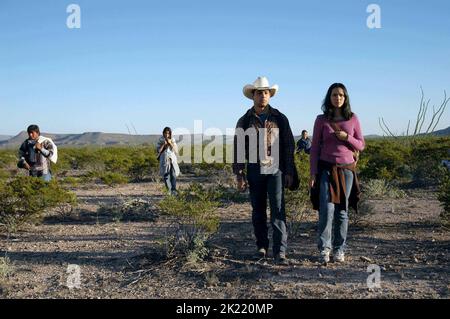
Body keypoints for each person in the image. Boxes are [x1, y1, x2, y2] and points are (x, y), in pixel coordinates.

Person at [233, 76, 297, 264]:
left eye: (266, 92)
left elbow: (288, 146)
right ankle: (261, 247)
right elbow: (238, 149)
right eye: (259, 92)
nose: (263, 95)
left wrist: (290, 172)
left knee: (278, 209)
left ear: (270, 95)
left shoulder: (279, 118)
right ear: (253, 96)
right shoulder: (244, 120)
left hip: (275, 167)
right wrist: (239, 174)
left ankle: (280, 252)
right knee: (258, 210)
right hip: (254, 167)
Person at [310, 83, 365, 264]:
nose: (338, 98)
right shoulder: (321, 119)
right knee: (327, 209)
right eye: (334, 95)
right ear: (329, 97)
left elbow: (361, 145)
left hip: (347, 170)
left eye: (341, 95)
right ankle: (324, 249)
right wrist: (313, 173)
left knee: (342, 211)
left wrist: (346, 137)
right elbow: (315, 148)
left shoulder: (353, 118)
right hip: (326, 168)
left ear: (345, 97)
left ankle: (339, 249)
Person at [156, 127, 180, 195]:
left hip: (172, 160)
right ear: (163, 133)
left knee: (173, 174)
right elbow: (158, 150)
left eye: (168, 133)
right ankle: (169, 190)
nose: (167, 135)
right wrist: (164, 144)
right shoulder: (161, 140)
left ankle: (174, 190)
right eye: (165, 133)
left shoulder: (173, 140)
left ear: (170, 134)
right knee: (166, 175)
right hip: (164, 159)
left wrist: (170, 143)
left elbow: (176, 150)